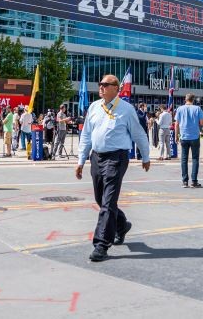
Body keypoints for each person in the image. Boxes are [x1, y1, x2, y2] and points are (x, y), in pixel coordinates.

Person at [75, 74, 150, 262]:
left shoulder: (126, 109)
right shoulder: (94, 107)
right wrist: (81, 160)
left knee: (108, 201)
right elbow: (86, 136)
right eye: (100, 84)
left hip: (117, 158)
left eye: (106, 84)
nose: (101, 87)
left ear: (116, 88)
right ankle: (122, 225)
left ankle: (101, 244)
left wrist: (145, 156)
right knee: (101, 199)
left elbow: (138, 134)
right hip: (97, 157)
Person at [175, 94, 203, 188]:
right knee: (195, 159)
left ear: (185, 99)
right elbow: (201, 122)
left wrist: (176, 135)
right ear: (193, 100)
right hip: (194, 136)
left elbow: (176, 124)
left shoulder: (180, 109)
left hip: (184, 136)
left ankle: (185, 181)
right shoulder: (197, 108)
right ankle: (194, 181)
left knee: (184, 159)